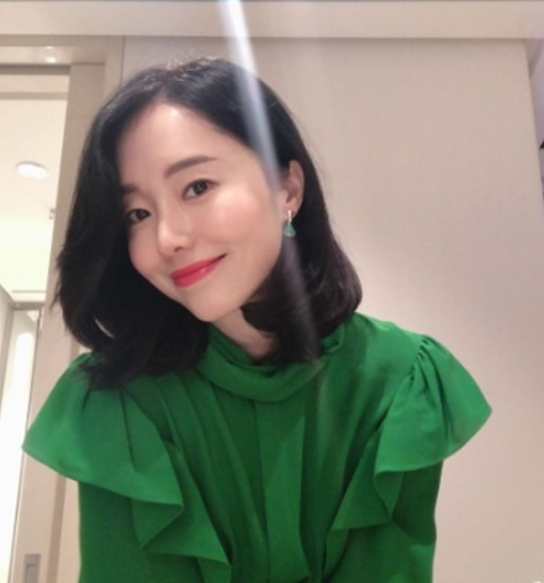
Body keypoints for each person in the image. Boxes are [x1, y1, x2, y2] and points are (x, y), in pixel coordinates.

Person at [23, 56, 491, 583]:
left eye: (197, 186)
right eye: (138, 213)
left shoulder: (401, 383)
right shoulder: (117, 403)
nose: (167, 237)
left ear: (287, 189)